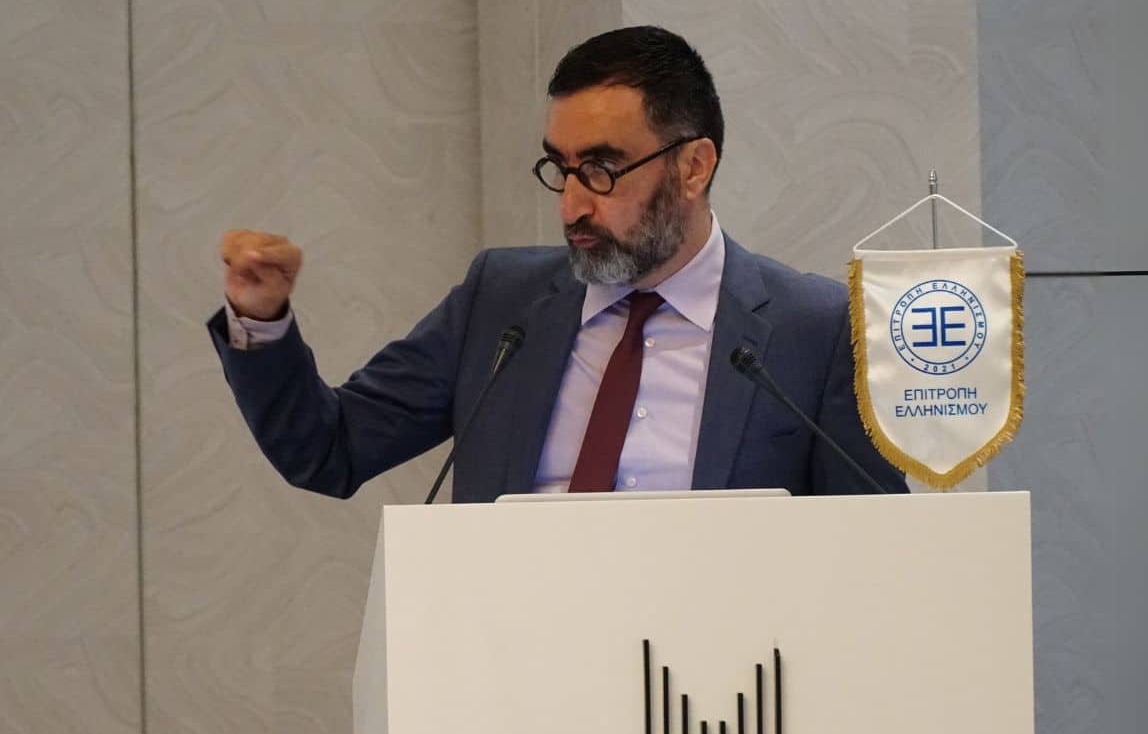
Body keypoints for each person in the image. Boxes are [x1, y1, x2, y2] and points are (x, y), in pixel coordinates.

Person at [208, 25, 907, 501]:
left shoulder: (813, 328)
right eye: (560, 168)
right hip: (515, 656)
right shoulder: (500, 302)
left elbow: (873, 548)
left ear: (693, 167)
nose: (573, 204)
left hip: (718, 670)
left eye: (602, 168)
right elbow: (329, 450)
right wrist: (261, 319)